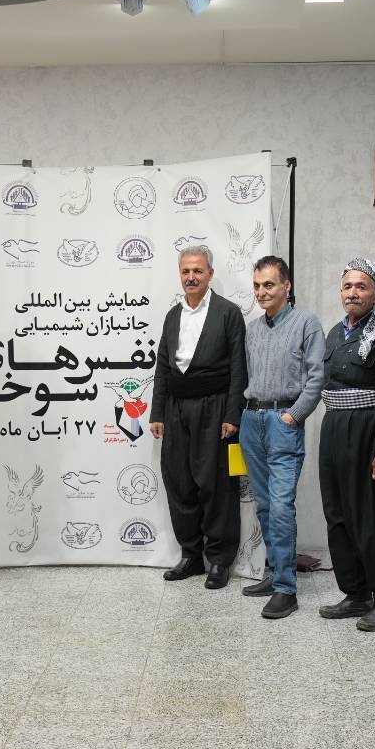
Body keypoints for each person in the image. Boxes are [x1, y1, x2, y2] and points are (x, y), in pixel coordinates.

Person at [150, 245, 248, 589]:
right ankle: (191, 555)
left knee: (216, 484)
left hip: (215, 407)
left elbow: (239, 369)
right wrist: (158, 411)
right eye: (186, 271)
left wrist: (232, 414)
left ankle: (219, 560)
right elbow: (163, 365)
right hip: (176, 408)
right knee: (179, 481)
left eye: (198, 271)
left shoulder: (228, 313)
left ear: (210, 274)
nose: (191, 277)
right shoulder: (172, 315)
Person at [238, 256, 324, 618]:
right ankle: (274, 575)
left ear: (286, 286)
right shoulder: (253, 329)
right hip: (251, 420)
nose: (262, 292)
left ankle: (287, 589)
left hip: (283, 421)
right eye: (257, 286)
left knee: (281, 505)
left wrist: (293, 416)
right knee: (263, 505)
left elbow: (317, 378)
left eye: (269, 284)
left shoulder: (306, 323)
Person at [318, 259, 375, 631]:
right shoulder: (336, 332)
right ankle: (355, 594)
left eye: (361, 286)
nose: (352, 293)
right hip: (334, 426)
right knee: (336, 513)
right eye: (347, 286)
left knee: (368, 516)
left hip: (368, 429)